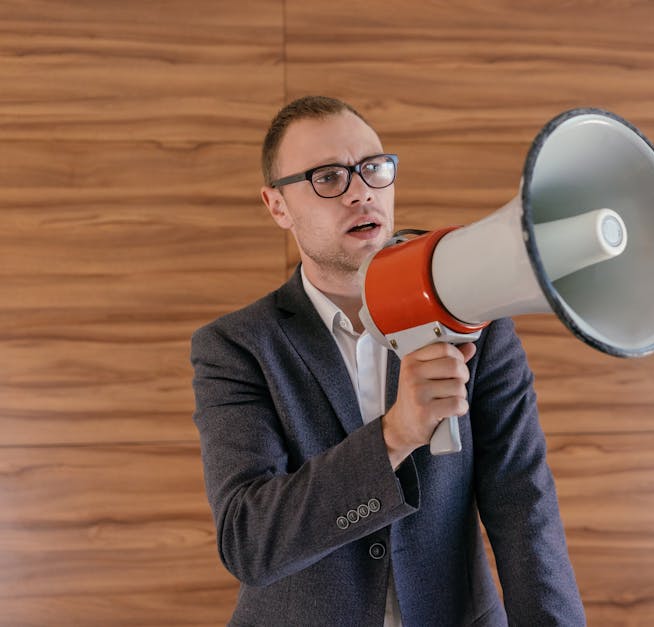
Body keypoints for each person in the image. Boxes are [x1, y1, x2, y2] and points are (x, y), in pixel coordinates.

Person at [190, 95, 586, 626]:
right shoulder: (236, 347)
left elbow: (523, 499)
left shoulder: (472, 312)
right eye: (327, 177)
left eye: (373, 168)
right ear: (277, 205)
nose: (360, 192)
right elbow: (249, 541)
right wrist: (395, 435)